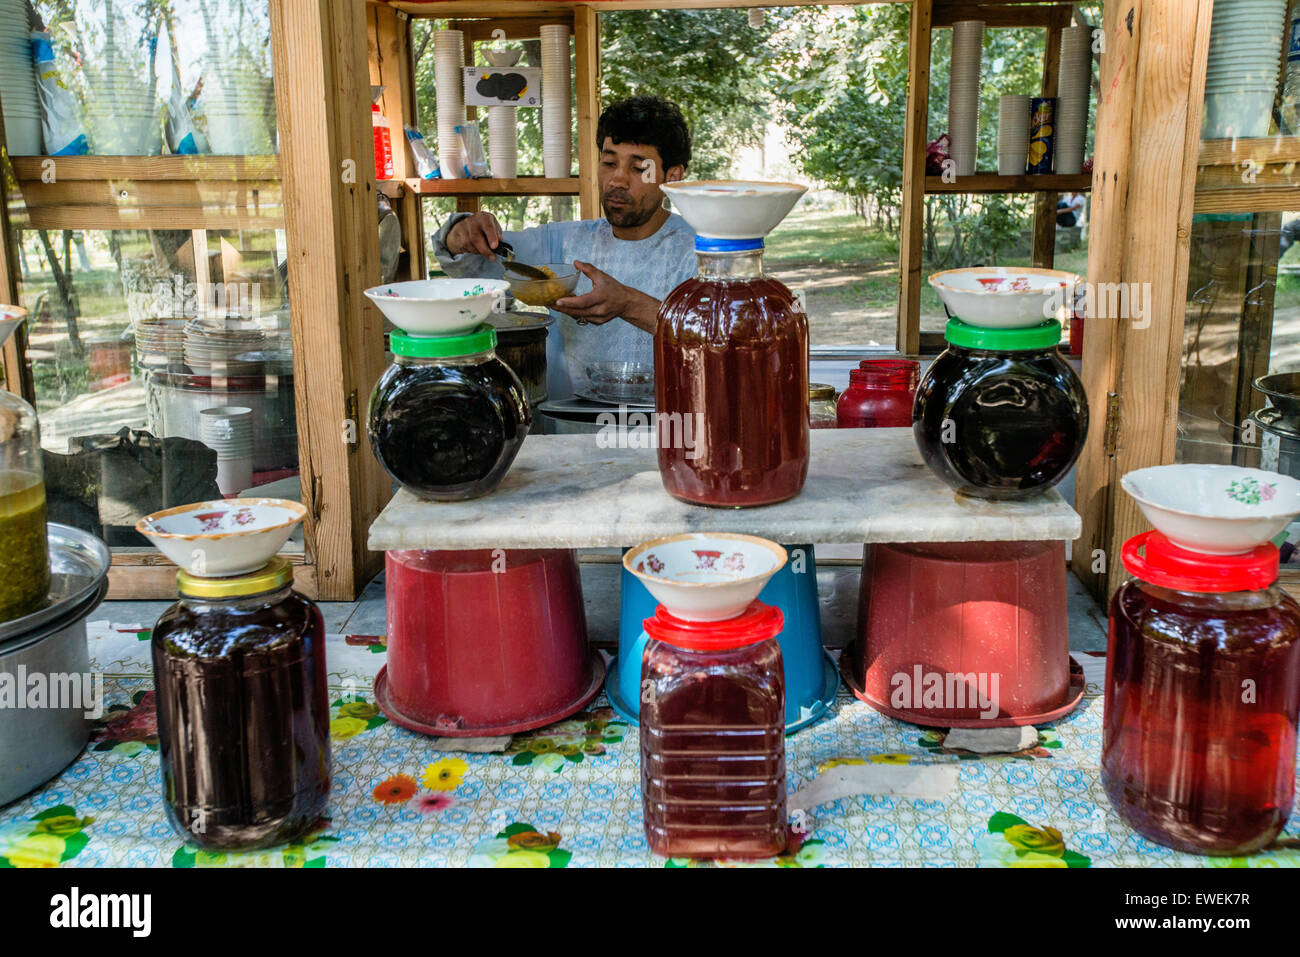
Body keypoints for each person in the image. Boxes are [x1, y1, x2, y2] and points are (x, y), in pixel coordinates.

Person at [433, 95, 697, 400]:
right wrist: (460, 232)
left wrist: (628, 304)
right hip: (568, 428)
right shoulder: (564, 243)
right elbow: (475, 265)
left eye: (639, 169)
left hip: (666, 430)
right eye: (609, 163)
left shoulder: (701, 252)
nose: (618, 180)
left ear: (672, 177)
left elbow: (719, 340)